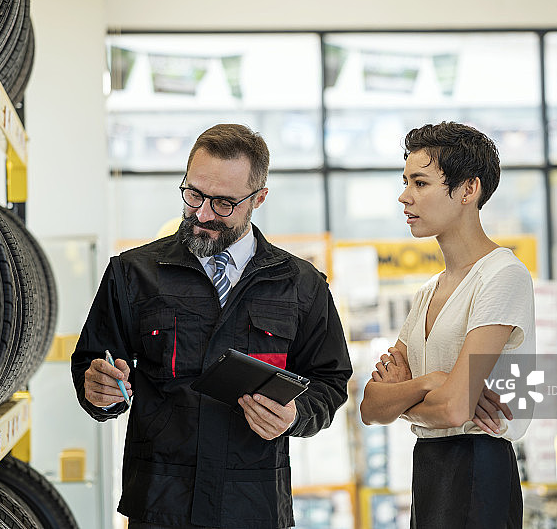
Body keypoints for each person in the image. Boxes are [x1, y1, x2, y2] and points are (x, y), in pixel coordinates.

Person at [71, 123, 352, 529]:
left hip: (253, 506)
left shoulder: (300, 285)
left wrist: (295, 416)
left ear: (258, 199)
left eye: (222, 203)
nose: (202, 214)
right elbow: (94, 363)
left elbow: (330, 380)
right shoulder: (133, 274)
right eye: (194, 195)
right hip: (159, 504)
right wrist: (99, 390)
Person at [359, 122, 535, 529]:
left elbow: (454, 407)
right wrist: (431, 382)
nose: (405, 196)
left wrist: (406, 396)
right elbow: (371, 407)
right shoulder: (427, 292)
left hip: (480, 467)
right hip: (429, 467)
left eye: (420, 183)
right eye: (405, 182)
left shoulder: (503, 275)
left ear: (468, 190)